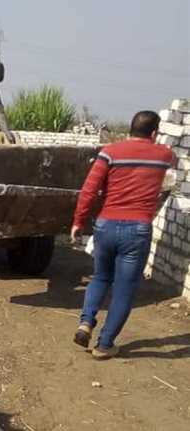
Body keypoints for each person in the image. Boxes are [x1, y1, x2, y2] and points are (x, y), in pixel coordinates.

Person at [71, 111, 176, 359]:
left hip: (106, 226)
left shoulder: (110, 152)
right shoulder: (164, 155)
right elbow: (171, 179)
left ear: (130, 129)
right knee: (124, 289)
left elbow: (89, 190)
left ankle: (86, 322)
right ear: (154, 133)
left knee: (100, 277)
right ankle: (105, 344)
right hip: (137, 229)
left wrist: (78, 221)